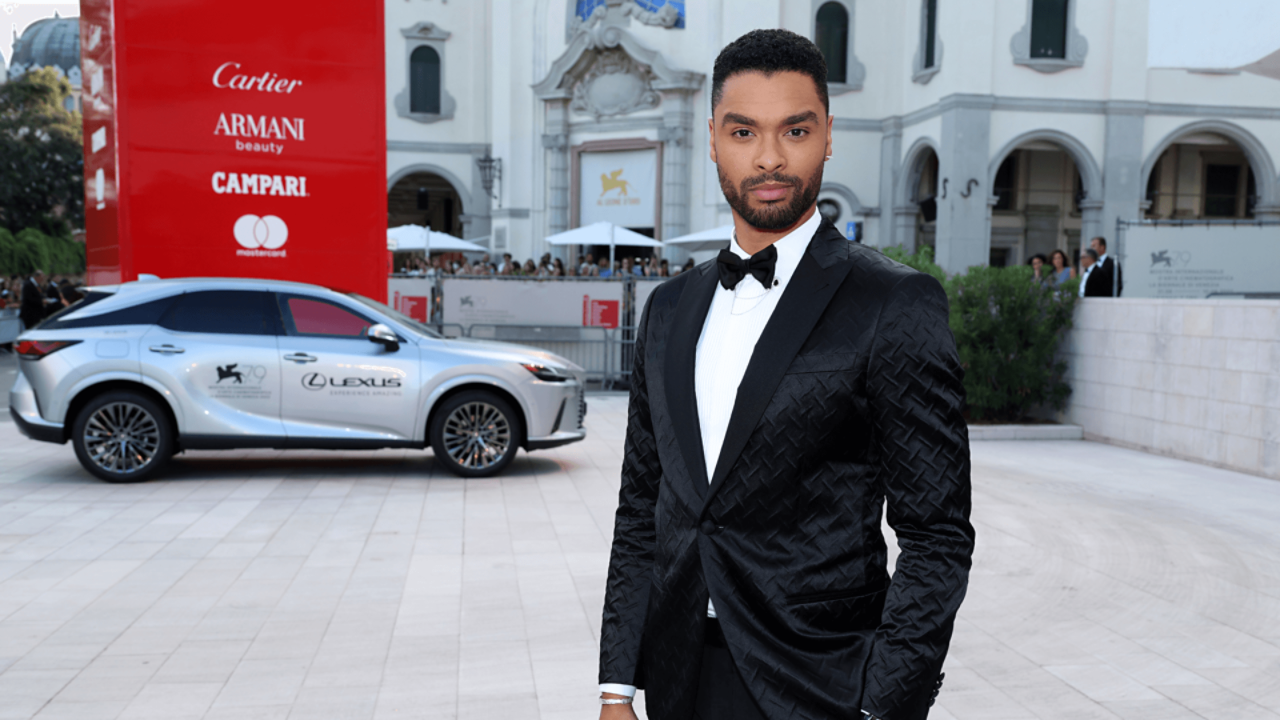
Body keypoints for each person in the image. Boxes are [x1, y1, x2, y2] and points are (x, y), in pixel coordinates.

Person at [598, 29, 973, 720]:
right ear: (712, 137)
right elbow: (640, 513)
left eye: (794, 129)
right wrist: (617, 686)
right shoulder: (668, 310)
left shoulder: (893, 303)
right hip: (678, 676)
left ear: (827, 134)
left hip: (820, 684)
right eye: (744, 131)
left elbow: (937, 535)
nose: (769, 157)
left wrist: (881, 704)